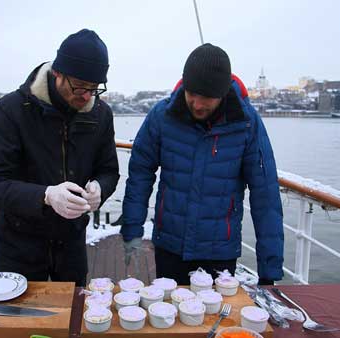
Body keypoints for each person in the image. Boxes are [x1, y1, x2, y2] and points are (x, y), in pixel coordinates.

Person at [121, 43, 283, 285]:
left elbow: (265, 196)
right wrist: (132, 229)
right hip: (170, 245)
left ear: (222, 93)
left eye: (206, 98)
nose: (197, 104)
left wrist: (269, 269)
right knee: (169, 318)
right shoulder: (161, 116)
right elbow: (140, 172)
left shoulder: (247, 124)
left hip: (220, 252)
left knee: (214, 318)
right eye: (191, 94)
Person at [0, 29, 120, 287]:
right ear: (57, 73)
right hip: (19, 247)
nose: (86, 96)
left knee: (71, 319)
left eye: (94, 88)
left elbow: (108, 169)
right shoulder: (11, 110)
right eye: (79, 86)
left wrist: (100, 188)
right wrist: (46, 195)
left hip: (72, 245)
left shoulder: (100, 114)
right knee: (19, 324)